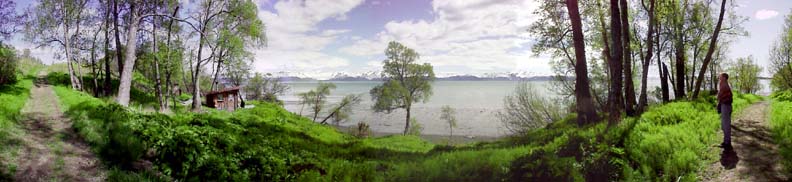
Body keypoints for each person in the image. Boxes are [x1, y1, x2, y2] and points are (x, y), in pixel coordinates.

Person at [717, 73, 733, 149]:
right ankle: (726, 141)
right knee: (725, 124)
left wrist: (717, 98)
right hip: (727, 106)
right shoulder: (725, 84)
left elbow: (719, 96)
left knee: (725, 125)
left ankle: (727, 142)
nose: (719, 77)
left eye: (720, 76)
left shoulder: (724, 85)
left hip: (726, 106)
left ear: (724, 78)